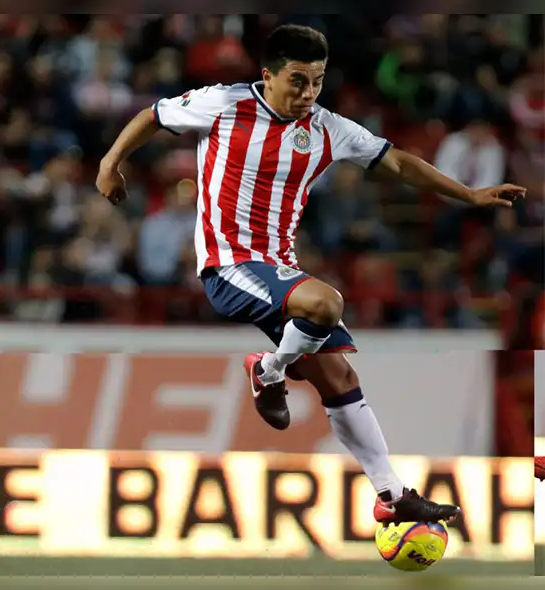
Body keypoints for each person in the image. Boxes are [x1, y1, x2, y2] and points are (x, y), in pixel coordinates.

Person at [96, 24, 525, 524]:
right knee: (326, 303)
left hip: (279, 268)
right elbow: (153, 115)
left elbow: (400, 163)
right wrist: (110, 163)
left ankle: (391, 493)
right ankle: (270, 369)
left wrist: (470, 195)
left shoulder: (328, 128)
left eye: (318, 81)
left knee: (339, 376)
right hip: (228, 264)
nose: (308, 93)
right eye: (298, 80)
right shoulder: (224, 103)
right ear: (269, 75)